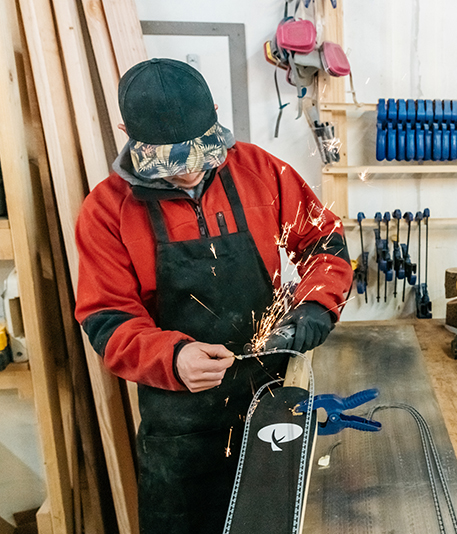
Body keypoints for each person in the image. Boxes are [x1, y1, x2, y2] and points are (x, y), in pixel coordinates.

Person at [74, 58, 352, 534]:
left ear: (215, 117)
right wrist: (172, 357)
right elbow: (107, 318)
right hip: (180, 429)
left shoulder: (259, 170)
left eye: (199, 154)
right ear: (127, 131)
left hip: (271, 399)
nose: (187, 175)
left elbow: (324, 244)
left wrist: (312, 309)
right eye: (170, 161)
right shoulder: (106, 209)